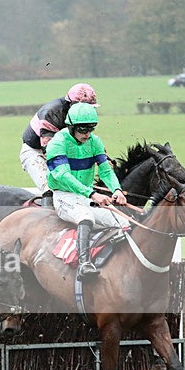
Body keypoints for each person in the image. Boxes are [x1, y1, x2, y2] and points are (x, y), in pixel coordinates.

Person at [45, 102, 127, 280]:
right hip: (63, 196)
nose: (87, 134)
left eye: (91, 129)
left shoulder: (95, 142)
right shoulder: (57, 144)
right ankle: (84, 264)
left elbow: (105, 171)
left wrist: (117, 189)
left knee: (123, 222)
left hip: (85, 195)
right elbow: (64, 176)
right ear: (71, 126)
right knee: (86, 217)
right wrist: (91, 194)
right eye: (83, 130)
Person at [20, 83, 99, 207]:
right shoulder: (51, 114)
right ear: (71, 104)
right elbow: (50, 152)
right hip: (36, 152)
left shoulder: (80, 117)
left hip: (62, 151)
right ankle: (48, 219)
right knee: (50, 188)